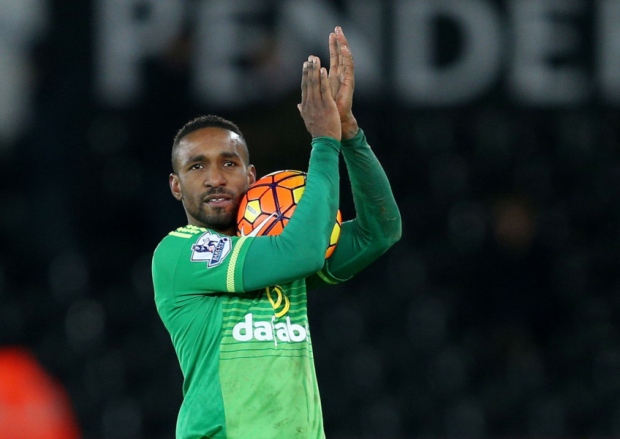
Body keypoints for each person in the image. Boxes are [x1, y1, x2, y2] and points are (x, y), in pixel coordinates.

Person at [152, 26, 401, 439]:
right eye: (197, 166)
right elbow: (301, 254)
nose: (215, 178)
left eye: (228, 164)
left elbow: (381, 231)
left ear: (252, 176)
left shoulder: (277, 256)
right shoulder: (179, 254)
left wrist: (350, 135)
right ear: (176, 186)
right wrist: (325, 142)